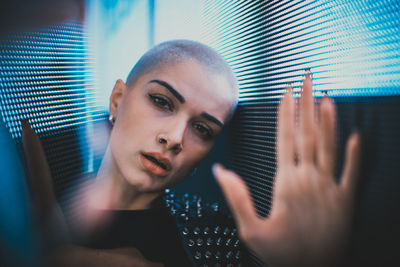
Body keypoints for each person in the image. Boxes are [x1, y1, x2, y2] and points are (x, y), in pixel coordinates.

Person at [21, 39, 361, 267]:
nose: (174, 138)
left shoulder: (211, 239)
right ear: (117, 100)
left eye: (202, 129)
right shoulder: (38, 208)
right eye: (161, 101)